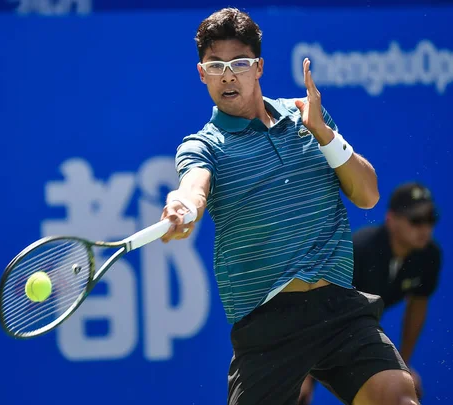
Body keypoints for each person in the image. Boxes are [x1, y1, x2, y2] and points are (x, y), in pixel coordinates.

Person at [160, 8, 420, 405]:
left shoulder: (307, 116)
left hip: (337, 308)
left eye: (239, 63)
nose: (228, 75)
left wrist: (323, 132)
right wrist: (184, 206)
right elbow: (194, 186)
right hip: (268, 324)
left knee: (398, 396)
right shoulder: (204, 145)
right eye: (215, 66)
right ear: (202, 73)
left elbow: (368, 195)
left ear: (259, 66)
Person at [298, 182, 442, 404]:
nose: (425, 228)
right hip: (316, 330)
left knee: (405, 394)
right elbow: (317, 309)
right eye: (416, 220)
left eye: (430, 219)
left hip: (357, 334)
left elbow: (417, 308)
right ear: (391, 219)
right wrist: (305, 373)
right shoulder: (360, 250)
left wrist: (403, 365)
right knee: (297, 395)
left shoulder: (429, 255)